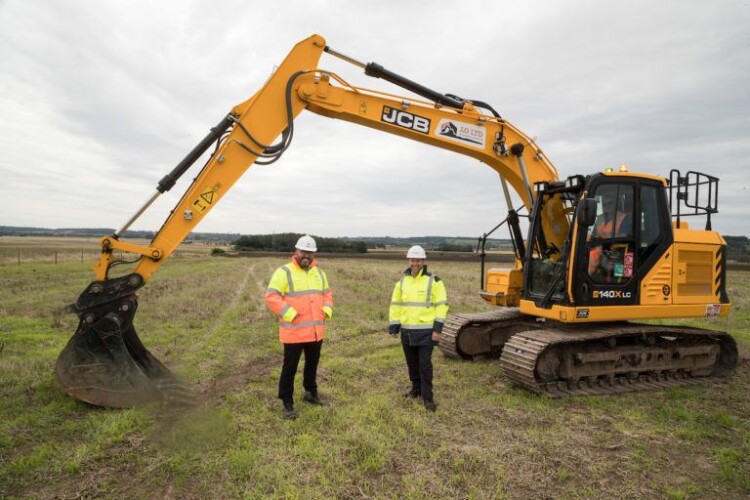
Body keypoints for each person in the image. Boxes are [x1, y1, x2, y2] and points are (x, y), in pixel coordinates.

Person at [264, 235, 333, 420]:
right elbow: (271, 296)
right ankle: (287, 403)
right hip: (294, 331)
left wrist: (326, 311)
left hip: (315, 331)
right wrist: (289, 314)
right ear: (296, 251)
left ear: (314, 255)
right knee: (290, 368)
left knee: (312, 365)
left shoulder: (319, 273)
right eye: (303, 251)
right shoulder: (284, 272)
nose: (306, 256)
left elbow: (327, 295)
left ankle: (310, 393)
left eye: (310, 253)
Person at [388, 245, 448, 412]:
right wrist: (394, 325)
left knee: (424, 366)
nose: (415, 263)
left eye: (418, 260)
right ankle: (416, 389)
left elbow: (441, 307)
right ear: (409, 261)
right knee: (412, 365)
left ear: (423, 261)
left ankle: (428, 398)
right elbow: (396, 305)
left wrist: (437, 330)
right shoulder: (401, 282)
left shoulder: (434, 281)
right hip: (407, 332)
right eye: (413, 260)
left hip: (426, 333)